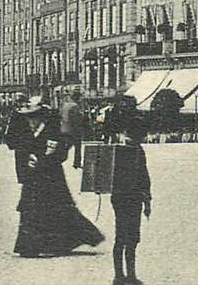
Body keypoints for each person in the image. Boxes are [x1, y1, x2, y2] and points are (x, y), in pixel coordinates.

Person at [13, 98, 104, 257]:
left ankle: (57, 242)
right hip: (33, 177)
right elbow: (19, 149)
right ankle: (30, 245)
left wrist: (43, 159)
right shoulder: (27, 131)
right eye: (28, 117)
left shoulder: (52, 129)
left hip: (51, 176)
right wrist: (26, 162)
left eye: (33, 116)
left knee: (56, 208)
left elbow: (61, 152)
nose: (30, 120)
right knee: (30, 210)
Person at [112, 117, 152, 284]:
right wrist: (148, 200)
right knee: (132, 237)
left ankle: (119, 276)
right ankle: (130, 275)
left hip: (119, 198)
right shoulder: (136, 151)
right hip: (133, 198)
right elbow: (144, 177)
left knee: (121, 236)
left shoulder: (116, 150)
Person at [60, 90, 85, 169]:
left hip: (64, 129)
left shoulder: (64, 105)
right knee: (77, 147)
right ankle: (77, 163)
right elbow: (76, 120)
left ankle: (58, 159)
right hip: (73, 130)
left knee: (66, 146)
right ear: (77, 97)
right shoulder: (75, 106)